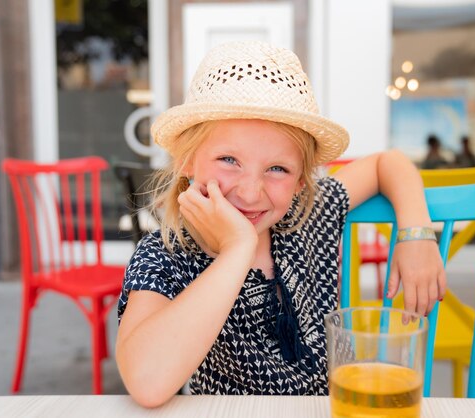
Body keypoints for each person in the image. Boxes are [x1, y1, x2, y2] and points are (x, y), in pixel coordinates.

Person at [115, 41, 445, 407]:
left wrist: (417, 235)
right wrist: (236, 250)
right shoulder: (166, 254)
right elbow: (146, 381)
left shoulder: (307, 218)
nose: (252, 192)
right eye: (228, 159)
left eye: (277, 169)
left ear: (301, 180)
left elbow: (389, 162)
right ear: (187, 162)